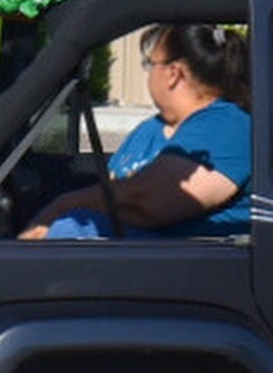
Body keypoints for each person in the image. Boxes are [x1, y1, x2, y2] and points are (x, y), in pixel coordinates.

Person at [23, 21, 251, 238]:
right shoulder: (150, 130)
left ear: (174, 74)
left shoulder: (226, 127)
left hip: (182, 272)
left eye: (149, 64)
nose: (149, 73)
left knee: (71, 229)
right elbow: (114, 188)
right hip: (126, 266)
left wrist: (62, 207)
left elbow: (146, 202)